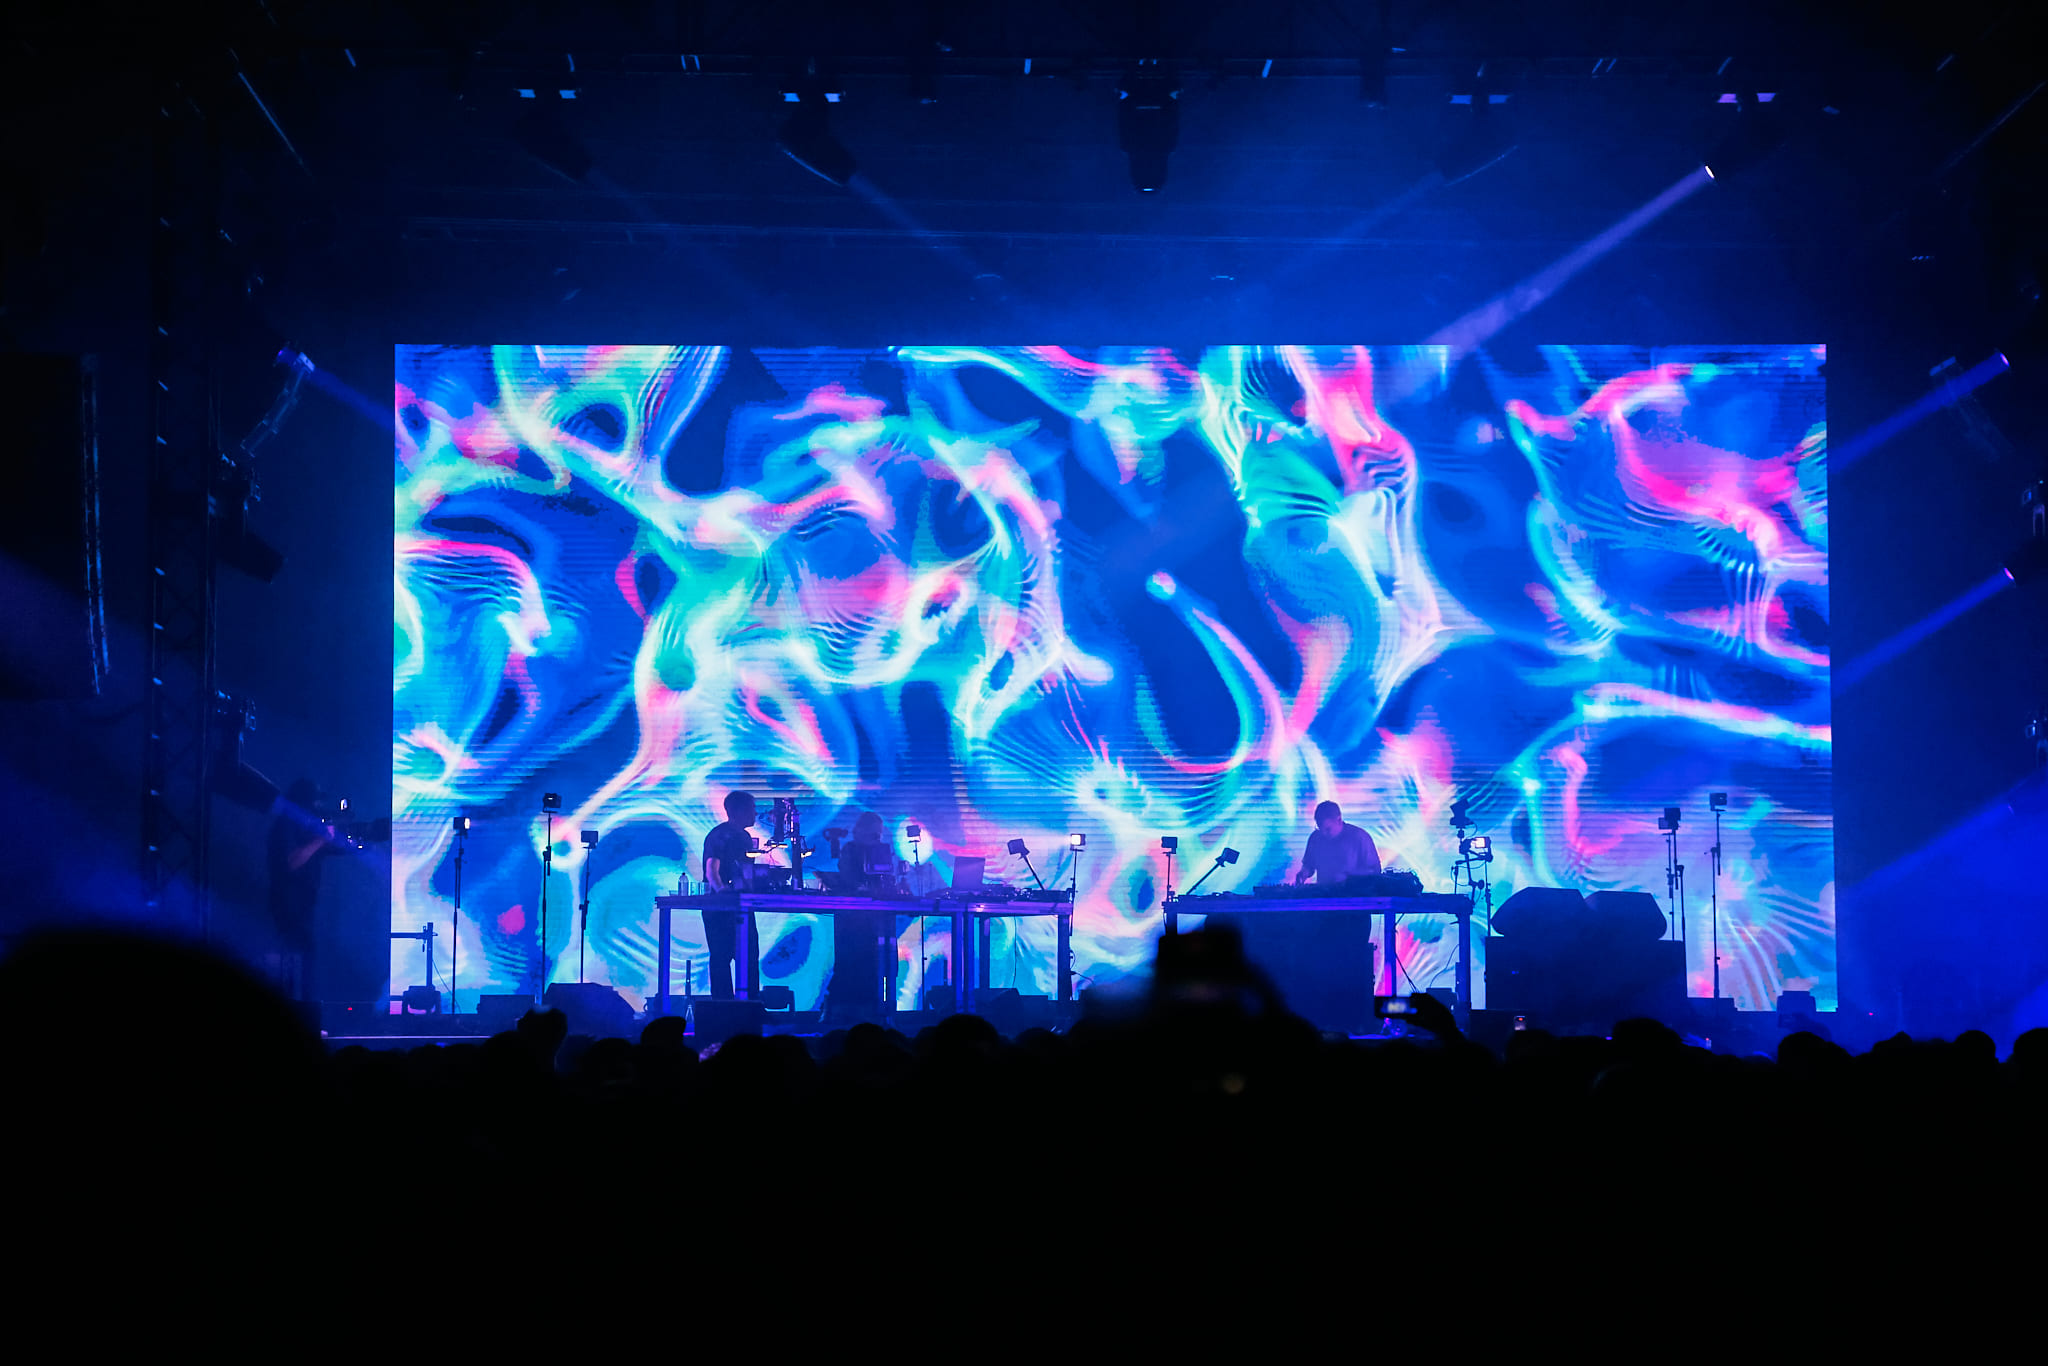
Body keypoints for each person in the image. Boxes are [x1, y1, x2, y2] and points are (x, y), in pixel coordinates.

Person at [267, 779, 341, 1002]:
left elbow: (330, 849)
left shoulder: (304, 828)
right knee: (293, 960)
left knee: (304, 958)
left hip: (302, 905)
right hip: (288, 904)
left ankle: (304, 1008)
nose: (319, 806)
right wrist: (321, 840)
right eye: (316, 801)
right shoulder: (285, 826)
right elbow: (292, 862)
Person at [826, 811, 896, 1023]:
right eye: (874, 834)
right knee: (850, 963)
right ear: (861, 831)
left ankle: (871, 1011)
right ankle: (841, 1011)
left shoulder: (881, 851)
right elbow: (849, 880)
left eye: (879, 834)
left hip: (874, 918)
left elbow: (886, 879)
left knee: (871, 964)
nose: (877, 838)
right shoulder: (850, 850)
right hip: (851, 917)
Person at [700, 789, 763, 998]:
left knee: (749, 955)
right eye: (752, 809)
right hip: (720, 907)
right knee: (721, 956)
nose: (755, 813)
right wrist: (722, 891)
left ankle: (751, 1004)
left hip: (741, 905)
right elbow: (711, 869)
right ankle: (723, 1005)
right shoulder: (720, 835)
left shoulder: (745, 837)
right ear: (739, 811)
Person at [1294, 800, 1381, 886]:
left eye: (1328, 829)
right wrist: (1303, 873)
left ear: (1339, 820)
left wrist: (1348, 877)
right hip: (1323, 892)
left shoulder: (1360, 837)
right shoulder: (1315, 837)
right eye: (1319, 828)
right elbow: (1309, 864)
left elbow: (1375, 870)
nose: (1323, 833)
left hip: (1352, 893)